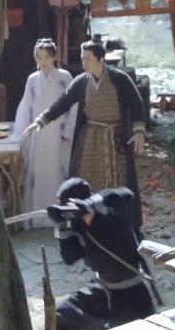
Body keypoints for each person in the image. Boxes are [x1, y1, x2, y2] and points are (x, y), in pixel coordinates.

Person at [23, 41, 147, 227]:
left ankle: (119, 223)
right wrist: (41, 120)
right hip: (89, 139)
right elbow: (63, 102)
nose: (83, 63)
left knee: (120, 180)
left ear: (101, 59)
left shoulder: (119, 79)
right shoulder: (81, 81)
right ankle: (88, 223)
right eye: (82, 59)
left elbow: (136, 103)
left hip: (115, 138)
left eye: (87, 59)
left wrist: (138, 132)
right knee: (86, 179)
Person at [50, 177, 157, 330]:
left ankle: (106, 327)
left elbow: (126, 194)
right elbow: (69, 258)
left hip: (131, 294)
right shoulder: (79, 226)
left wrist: (91, 203)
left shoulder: (114, 218)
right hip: (101, 289)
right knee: (58, 313)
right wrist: (60, 225)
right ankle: (102, 326)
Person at [12, 38, 76, 229]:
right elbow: (26, 106)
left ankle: (58, 216)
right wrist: (24, 131)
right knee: (37, 172)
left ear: (54, 57)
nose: (43, 61)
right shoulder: (32, 79)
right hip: (38, 131)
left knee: (58, 170)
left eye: (47, 57)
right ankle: (37, 217)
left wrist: (68, 130)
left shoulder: (65, 77)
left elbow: (73, 105)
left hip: (58, 130)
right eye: (39, 57)